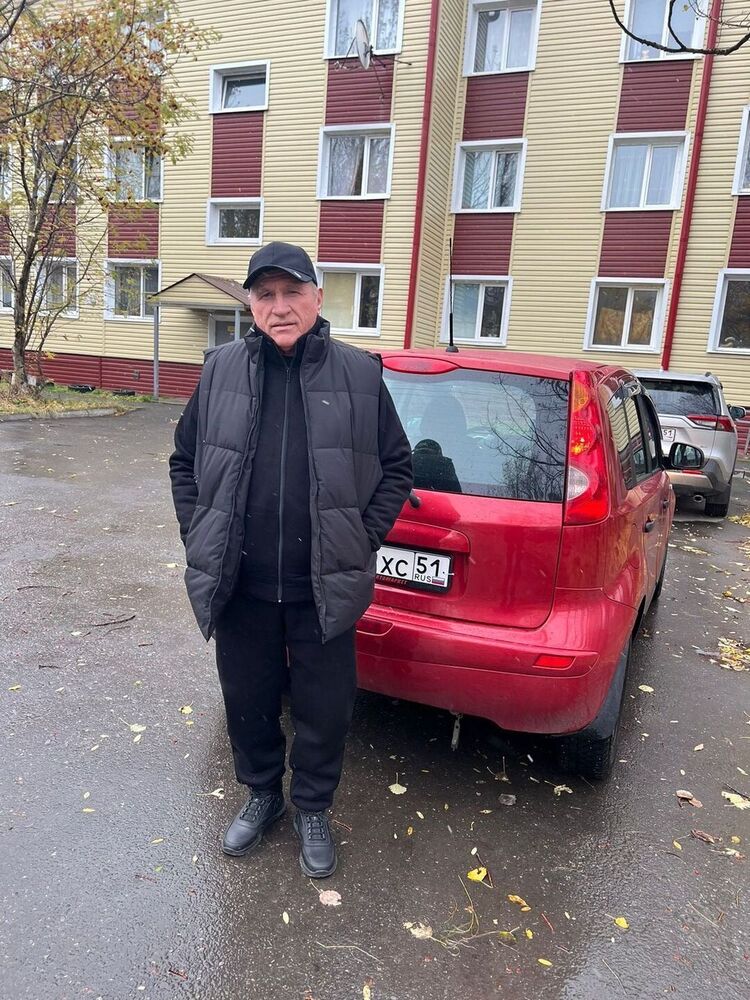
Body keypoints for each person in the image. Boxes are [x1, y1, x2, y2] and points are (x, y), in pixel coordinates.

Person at [169, 242, 412, 878]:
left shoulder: (359, 375)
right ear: (251, 304)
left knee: (324, 709)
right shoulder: (220, 370)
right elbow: (184, 462)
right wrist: (199, 533)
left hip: (321, 585)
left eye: (292, 292)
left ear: (317, 297)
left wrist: (360, 538)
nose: (279, 307)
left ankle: (312, 807)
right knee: (247, 698)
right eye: (266, 295)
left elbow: (396, 467)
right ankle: (261, 795)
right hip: (241, 582)